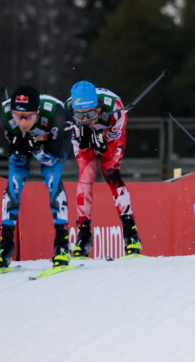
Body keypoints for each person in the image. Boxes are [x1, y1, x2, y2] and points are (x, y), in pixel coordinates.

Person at [0, 85, 71, 268]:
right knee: (14, 180)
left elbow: (52, 161)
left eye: (28, 116)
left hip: (52, 137)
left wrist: (37, 150)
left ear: (37, 112)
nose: (23, 122)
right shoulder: (6, 120)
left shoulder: (55, 115)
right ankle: (6, 244)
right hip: (31, 140)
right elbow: (17, 162)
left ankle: (62, 244)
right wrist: (18, 151)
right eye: (18, 116)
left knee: (52, 178)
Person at [65, 81, 141, 257]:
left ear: (99, 109)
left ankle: (131, 233)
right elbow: (82, 148)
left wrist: (101, 139)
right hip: (86, 137)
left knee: (111, 172)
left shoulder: (116, 109)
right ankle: (83, 235)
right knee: (85, 177)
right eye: (80, 115)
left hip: (110, 135)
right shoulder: (66, 111)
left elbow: (110, 146)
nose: (86, 120)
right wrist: (85, 141)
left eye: (91, 114)